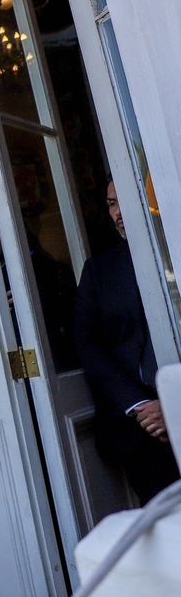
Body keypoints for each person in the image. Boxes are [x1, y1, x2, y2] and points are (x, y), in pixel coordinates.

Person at [75, 180, 180, 502]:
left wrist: (173, 404)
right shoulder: (99, 270)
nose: (118, 212)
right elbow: (89, 345)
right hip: (141, 431)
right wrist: (140, 406)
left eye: (125, 200)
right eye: (111, 204)